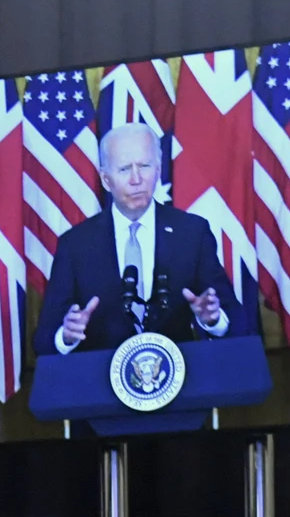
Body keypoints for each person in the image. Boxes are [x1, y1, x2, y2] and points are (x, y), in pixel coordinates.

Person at [32, 122, 245, 357]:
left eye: (144, 166)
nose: (136, 179)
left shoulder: (192, 233)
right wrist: (67, 335)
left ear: (158, 169)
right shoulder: (75, 245)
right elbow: (44, 339)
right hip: (101, 376)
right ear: (105, 179)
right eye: (124, 169)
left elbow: (237, 320)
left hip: (177, 372)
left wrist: (213, 319)